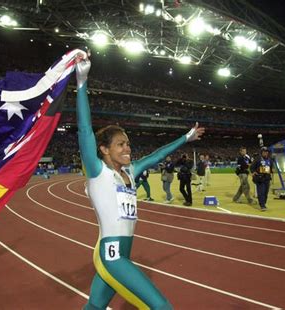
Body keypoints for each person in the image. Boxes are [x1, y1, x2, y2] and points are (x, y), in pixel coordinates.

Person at [75, 53, 205, 310]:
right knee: (162, 307)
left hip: (123, 252)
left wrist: (185, 138)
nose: (127, 149)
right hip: (111, 255)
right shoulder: (98, 172)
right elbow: (84, 129)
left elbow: (157, 155)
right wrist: (82, 82)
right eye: (120, 145)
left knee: (95, 307)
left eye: (128, 144)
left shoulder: (130, 172)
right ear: (103, 149)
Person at [250, 147, 273, 211]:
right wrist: (253, 172)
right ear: (262, 152)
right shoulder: (257, 159)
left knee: (266, 192)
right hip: (260, 178)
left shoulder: (270, 159)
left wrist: (271, 171)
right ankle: (262, 205)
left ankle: (263, 203)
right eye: (264, 152)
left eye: (267, 152)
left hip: (267, 178)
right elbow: (252, 167)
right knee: (261, 192)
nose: (266, 153)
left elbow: (271, 168)